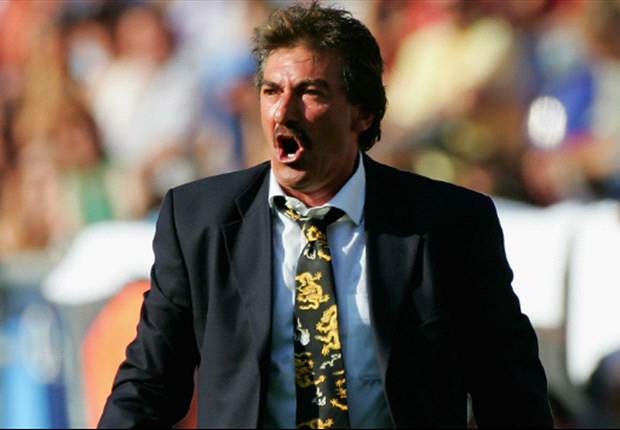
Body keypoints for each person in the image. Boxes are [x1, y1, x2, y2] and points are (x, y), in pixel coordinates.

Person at [98, 3, 553, 428]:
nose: (284, 111)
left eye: (310, 92)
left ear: (363, 113)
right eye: (271, 91)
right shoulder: (199, 221)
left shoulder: (450, 224)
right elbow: (149, 384)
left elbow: (509, 390)